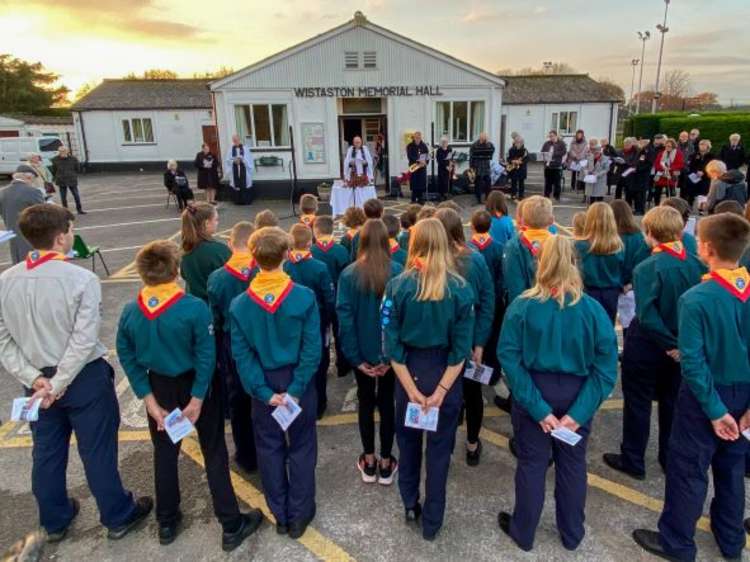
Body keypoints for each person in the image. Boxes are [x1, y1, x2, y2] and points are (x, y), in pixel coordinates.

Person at [0, 204, 152, 542]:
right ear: (59, 237)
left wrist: (34, 378)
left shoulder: (6, 280)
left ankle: (54, 519)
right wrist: (59, 382)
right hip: (81, 377)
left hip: (36, 381)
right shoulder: (81, 278)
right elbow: (84, 340)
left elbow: (3, 338)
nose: (72, 235)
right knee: (97, 450)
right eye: (70, 230)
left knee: (46, 451)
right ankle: (116, 514)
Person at [117, 240, 262, 549]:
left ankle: (167, 521)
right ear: (175, 271)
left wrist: (149, 399)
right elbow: (206, 356)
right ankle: (230, 523)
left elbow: (126, 355)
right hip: (196, 384)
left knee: (165, 454)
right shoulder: (193, 307)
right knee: (214, 451)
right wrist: (197, 399)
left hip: (158, 387)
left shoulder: (131, 311)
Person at [632, 212, 750, 562]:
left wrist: (715, 411)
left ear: (708, 249)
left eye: (698, 239)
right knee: (732, 467)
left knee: (688, 469)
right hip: (743, 393)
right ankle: (731, 539)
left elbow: (694, 362)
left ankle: (678, 542)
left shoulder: (697, 298)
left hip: (706, 397)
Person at [497, 234, 617, 553]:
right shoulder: (593, 310)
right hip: (578, 392)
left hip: (534, 389)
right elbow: (606, 368)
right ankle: (572, 532)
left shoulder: (522, 306)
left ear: (540, 263)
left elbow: (509, 358)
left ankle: (524, 531)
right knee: (573, 465)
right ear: (576, 264)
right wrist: (578, 414)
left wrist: (538, 409)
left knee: (533, 464)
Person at [383, 218, 474, 541]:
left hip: (409, 370)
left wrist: (412, 391)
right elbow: (461, 350)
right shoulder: (461, 289)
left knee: (407, 446)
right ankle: (433, 521)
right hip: (444, 373)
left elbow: (391, 347)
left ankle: (410, 502)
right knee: (439, 452)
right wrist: (440, 392)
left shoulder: (397, 286)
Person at [230, 226, 321, 539]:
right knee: (302, 446)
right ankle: (300, 512)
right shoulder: (304, 297)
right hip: (298, 381)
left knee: (268, 448)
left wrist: (263, 392)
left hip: (263, 385)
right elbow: (313, 349)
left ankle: (279, 513)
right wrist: (294, 390)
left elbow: (241, 356)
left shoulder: (240, 304)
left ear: (253, 258)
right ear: (286, 255)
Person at [604, 206, 705, 482]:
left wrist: (669, 343)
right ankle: (668, 457)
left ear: (650, 233)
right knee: (672, 401)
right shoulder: (697, 263)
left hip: (649, 344)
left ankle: (633, 458)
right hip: (681, 345)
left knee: (637, 401)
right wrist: (680, 346)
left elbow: (647, 315)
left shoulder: (648, 267)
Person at [336, 219, 402, 484]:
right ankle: (386, 461)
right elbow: (399, 319)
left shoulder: (349, 274)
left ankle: (369, 459)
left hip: (361, 352)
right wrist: (389, 357)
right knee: (387, 403)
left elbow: (345, 318)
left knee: (365, 402)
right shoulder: (397, 271)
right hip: (388, 354)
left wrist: (355, 357)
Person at [435, 208, 495, 466]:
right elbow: (488, 301)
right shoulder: (475, 259)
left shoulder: (430, 261)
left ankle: (444, 446)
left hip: (440, 342)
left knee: (443, 393)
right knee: (472, 394)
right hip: (469, 341)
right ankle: (472, 444)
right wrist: (480, 342)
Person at [206, 222, 258, 474]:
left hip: (231, 343)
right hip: (260, 339)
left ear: (230, 244)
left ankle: (246, 454)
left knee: (238, 400)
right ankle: (269, 447)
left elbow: (214, 318)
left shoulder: (217, 278)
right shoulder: (261, 271)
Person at [284, 224, 335, 418]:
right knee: (319, 361)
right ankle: (320, 404)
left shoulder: (287, 266)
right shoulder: (319, 267)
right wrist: (330, 318)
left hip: (292, 322)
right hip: (318, 320)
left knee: (297, 361)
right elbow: (328, 297)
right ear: (309, 242)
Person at [311, 215, 352, 378]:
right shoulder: (341, 251)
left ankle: (322, 366)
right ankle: (343, 365)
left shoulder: (311, 252)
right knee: (340, 332)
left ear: (315, 231)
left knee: (321, 335)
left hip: (317, 303)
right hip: (339, 300)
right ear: (332, 230)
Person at [574, 203, 625, 323]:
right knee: (607, 326)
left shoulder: (581, 245)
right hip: (611, 292)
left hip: (587, 291)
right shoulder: (619, 246)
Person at [469, 210, 505, 373]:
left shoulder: (469, 249)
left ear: (472, 226)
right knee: (492, 337)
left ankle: (473, 370)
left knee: (473, 336)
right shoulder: (498, 247)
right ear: (490, 227)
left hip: (474, 299)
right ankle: (491, 371)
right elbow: (501, 276)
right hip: (493, 299)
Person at [503, 196, 555, 303]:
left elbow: (515, 287)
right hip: (556, 306)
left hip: (525, 307)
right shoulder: (559, 245)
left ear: (523, 220)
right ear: (551, 220)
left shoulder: (513, 246)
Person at [179, 203, 230, 301]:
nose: (217, 223)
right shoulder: (219, 250)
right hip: (215, 305)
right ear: (206, 223)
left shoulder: (184, 249)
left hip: (194, 303)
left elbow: (184, 275)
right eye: (216, 219)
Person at [0, 165, 45, 264]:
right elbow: (44, 213)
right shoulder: (33, 191)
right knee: (34, 264)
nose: (32, 183)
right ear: (28, 177)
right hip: (32, 234)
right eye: (32, 180)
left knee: (18, 263)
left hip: (12, 233)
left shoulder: (3, 192)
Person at [50, 146, 85, 215]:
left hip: (71, 179)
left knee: (76, 195)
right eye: (61, 151)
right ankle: (65, 211)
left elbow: (77, 168)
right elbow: (54, 170)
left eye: (64, 151)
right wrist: (56, 177)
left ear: (67, 151)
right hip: (61, 180)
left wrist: (73, 174)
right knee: (63, 197)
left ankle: (79, 209)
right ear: (59, 152)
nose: (63, 152)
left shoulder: (73, 159)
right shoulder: (54, 159)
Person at [224, 134, 254, 205]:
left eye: (236, 140)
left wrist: (242, 160)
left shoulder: (245, 148)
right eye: (234, 140)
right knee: (236, 184)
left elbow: (249, 159)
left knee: (245, 183)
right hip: (235, 169)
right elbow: (227, 160)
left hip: (244, 169)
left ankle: (246, 201)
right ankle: (238, 201)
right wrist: (234, 161)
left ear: (239, 140)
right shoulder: (230, 149)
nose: (235, 142)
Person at [653, 138, 684, 205]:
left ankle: (670, 206)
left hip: (671, 174)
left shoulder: (678, 153)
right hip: (661, 174)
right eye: (666, 146)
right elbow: (656, 163)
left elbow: (680, 164)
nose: (667, 147)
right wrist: (662, 168)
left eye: (669, 146)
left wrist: (670, 168)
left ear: (673, 146)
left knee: (669, 192)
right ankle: (657, 205)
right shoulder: (661, 153)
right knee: (657, 191)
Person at [684, 139, 714, 208]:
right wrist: (696, 171)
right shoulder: (693, 155)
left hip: (705, 178)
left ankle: (701, 209)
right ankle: (689, 207)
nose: (702, 146)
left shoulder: (712, 156)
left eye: (704, 145)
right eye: (701, 144)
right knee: (690, 193)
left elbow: (712, 166)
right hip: (694, 177)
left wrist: (704, 172)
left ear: (708, 146)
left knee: (703, 194)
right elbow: (689, 166)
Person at [469, 132, 495, 204]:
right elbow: (471, 157)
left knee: (488, 182)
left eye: (485, 138)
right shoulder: (474, 145)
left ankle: (488, 198)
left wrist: (487, 143)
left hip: (486, 166)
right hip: (478, 166)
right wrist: (471, 167)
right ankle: (478, 198)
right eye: (483, 138)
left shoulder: (489, 144)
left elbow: (492, 150)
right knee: (478, 183)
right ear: (480, 138)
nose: (484, 139)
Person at [541, 131, 567, 200]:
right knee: (547, 182)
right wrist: (546, 154)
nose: (551, 137)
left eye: (552, 136)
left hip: (556, 165)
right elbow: (542, 151)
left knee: (557, 182)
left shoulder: (561, 143)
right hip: (548, 165)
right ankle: (546, 195)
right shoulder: (547, 143)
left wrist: (554, 154)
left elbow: (564, 152)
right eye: (550, 136)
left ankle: (556, 196)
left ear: (556, 136)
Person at [406, 132, 430, 203]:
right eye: (416, 138)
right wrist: (418, 160)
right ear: (414, 137)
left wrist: (426, 162)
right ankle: (413, 199)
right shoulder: (410, 146)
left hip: (422, 168)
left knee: (421, 183)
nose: (418, 139)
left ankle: (420, 198)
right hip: (414, 167)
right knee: (414, 183)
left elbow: (427, 155)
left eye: (419, 138)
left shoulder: (424, 145)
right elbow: (410, 156)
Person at [583, 141, 609, 205]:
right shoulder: (589, 157)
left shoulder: (605, 158)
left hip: (600, 181)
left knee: (599, 199)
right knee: (591, 198)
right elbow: (585, 167)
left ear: (600, 152)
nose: (595, 155)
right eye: (593, 153)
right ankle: (592, 210)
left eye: (596, 153)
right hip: (591, 180)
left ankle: (600, 212)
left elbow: (606, 169)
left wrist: (597, 174)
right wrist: (586, 172)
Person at [506, 135, 529, 200]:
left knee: (521, 183)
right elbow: (508, 158)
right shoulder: (511, 149)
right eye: (516, 142)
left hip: (521, 168)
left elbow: (527, 159)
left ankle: (521, 195)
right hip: (513, 168)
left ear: (522, 143)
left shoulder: (525, 150)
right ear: (515, 142)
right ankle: (513, 194)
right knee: (513, 182)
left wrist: (520, 162)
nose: (518, 143)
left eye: (519, 142)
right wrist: (513, 161)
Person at [567, 130, 589, 194]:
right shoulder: (573, 142)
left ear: (582, 135)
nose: (579, 136)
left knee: (581, 174)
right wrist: (575, 156)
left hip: (581, 160)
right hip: (574, 160)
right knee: (573, 174)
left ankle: (579, 186)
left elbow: (585, 150)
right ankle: (573, 186)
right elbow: (571, 150)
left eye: (580, 135)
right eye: (578, 134)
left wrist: (580, 157)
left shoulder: (585, 142)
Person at [435, 136, 453, 201]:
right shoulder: (439, 150)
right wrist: (446, 167)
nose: (445, 143)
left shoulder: (449, 149)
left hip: (448, 168)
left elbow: (450, 158)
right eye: (443, 142)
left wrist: (450, 165)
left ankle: (446, 194)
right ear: (441, 143)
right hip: (441, 168)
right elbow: (439, 160)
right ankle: (441, 195)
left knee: (446, 181)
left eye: (446, 142)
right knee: (441, 181)